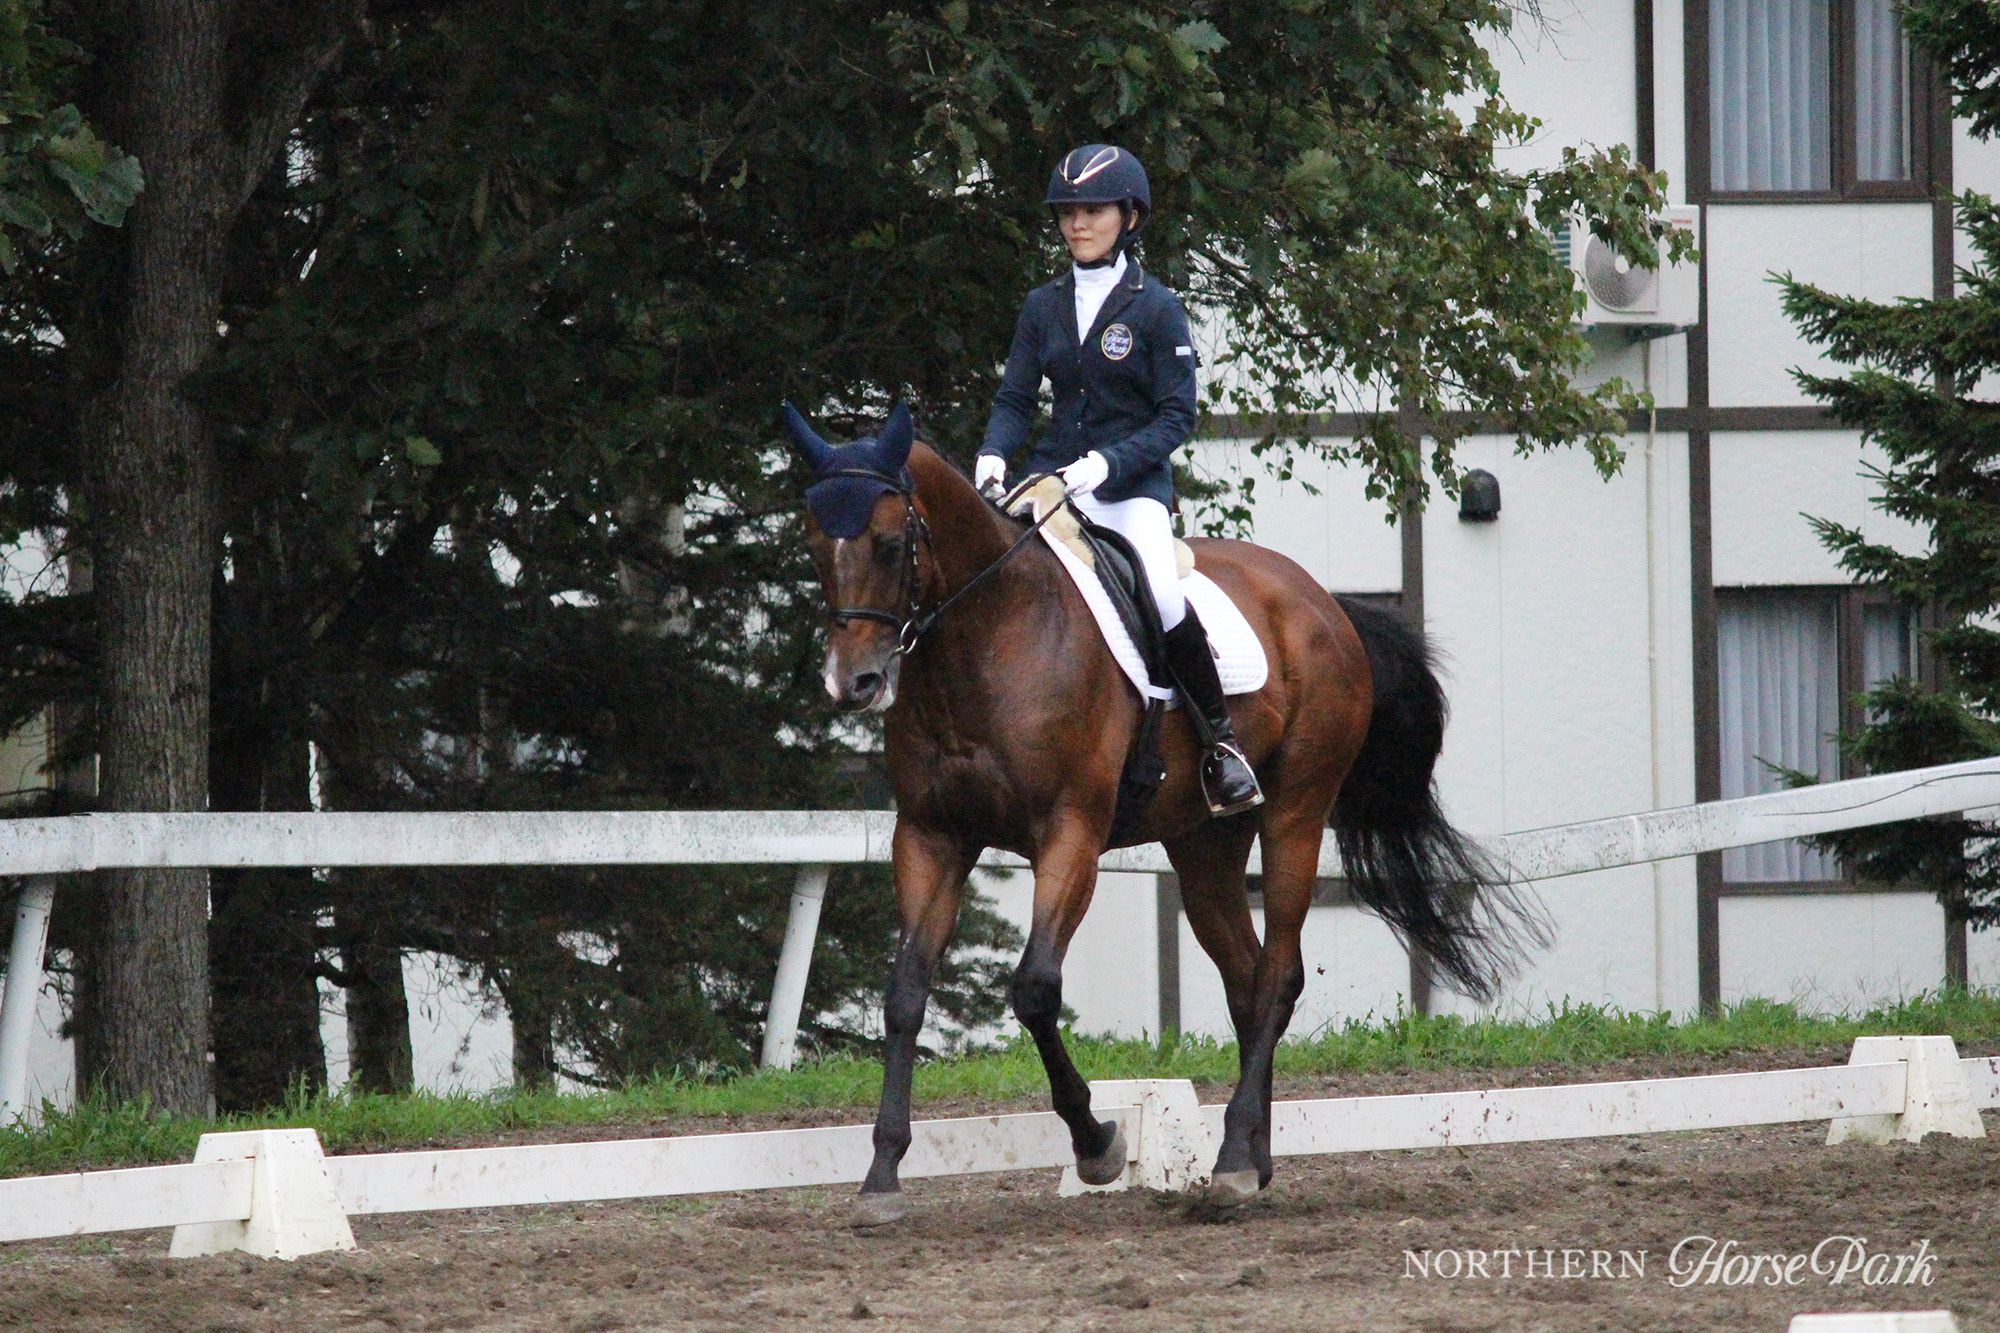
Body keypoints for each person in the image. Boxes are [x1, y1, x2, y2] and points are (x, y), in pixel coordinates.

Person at [976, 144, 1263, 818]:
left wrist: (1107, 464)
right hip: (1051, 484)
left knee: (1162, 596)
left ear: (1129, 217)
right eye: (1068, 213)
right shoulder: (1042, 306)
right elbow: (1017, 397)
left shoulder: (1156, 308)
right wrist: (994, 454)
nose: (1078, 224)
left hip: (1130, 491)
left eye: (1093, 210)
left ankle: (1221, 748)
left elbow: (1176, 415)